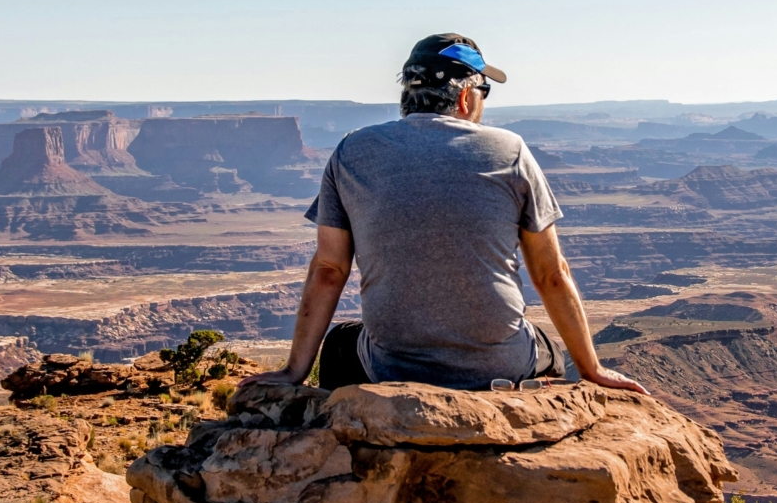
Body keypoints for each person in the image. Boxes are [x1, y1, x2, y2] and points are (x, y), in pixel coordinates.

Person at [256, 33, 649, 395]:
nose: (483, 100)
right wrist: (593, 369)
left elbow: (329, 269)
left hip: (390, 369)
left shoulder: (351, 151)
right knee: (549, 348)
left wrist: (293, 372)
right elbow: (551, 274)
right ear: (465, 98)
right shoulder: (510, 151)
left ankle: (347, 438)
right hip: (500, 367)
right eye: (485, 90)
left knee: (342, 342)